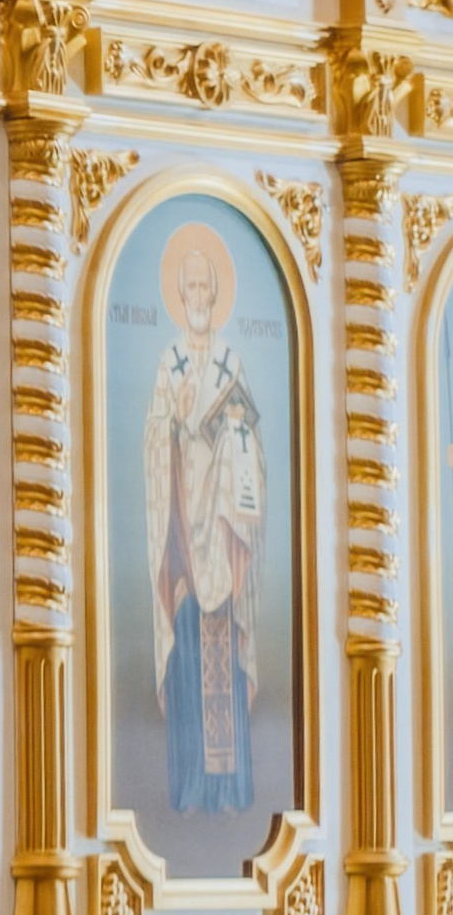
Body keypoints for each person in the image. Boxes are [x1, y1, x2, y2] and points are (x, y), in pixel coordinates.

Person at [144, 225, 264, 816]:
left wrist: (234, 433)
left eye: (202, 285)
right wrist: (174, 427)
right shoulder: (167, 365)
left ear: (214, 295)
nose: (194, 294)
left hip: (220, 527)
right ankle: (194, 785)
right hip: (181, 525)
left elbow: (251, 448)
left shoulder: (229, 362)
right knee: (190, 642)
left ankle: (229, 787)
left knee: (222, 639)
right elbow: (153, 441)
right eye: (187, 285)